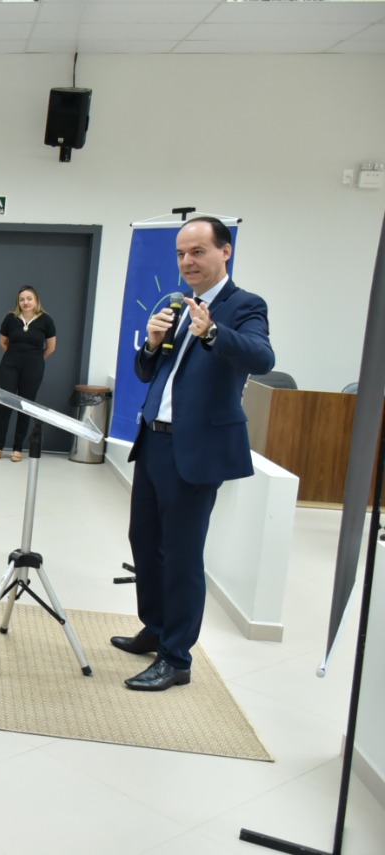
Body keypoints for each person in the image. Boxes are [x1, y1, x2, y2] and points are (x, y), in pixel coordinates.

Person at [114, 216, 275, 692]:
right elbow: (150, 373)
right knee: (145, 542)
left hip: (197, 448)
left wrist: (210, 333)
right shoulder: (178, 304)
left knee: (182, 555)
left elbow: (262, 357)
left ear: (225, 252)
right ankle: (156, 628)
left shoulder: (244, 305)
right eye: (182, 254)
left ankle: (177, 657)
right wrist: (152, 342)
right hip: (154, 441)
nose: (188, 262)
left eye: (198, 252)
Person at [0, 285, 56, 462]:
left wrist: (35, 359)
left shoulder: (46, 320)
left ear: (36, 300)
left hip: (33, 367)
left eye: (29, 298)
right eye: (22, 299)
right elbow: (3, 343)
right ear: (18, 302)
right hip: (10, 364)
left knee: (24, 407)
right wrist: (15, 356)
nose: (25, 302)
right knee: (6, 404)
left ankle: (17, 449)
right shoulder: (10, 319)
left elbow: (51, 348)